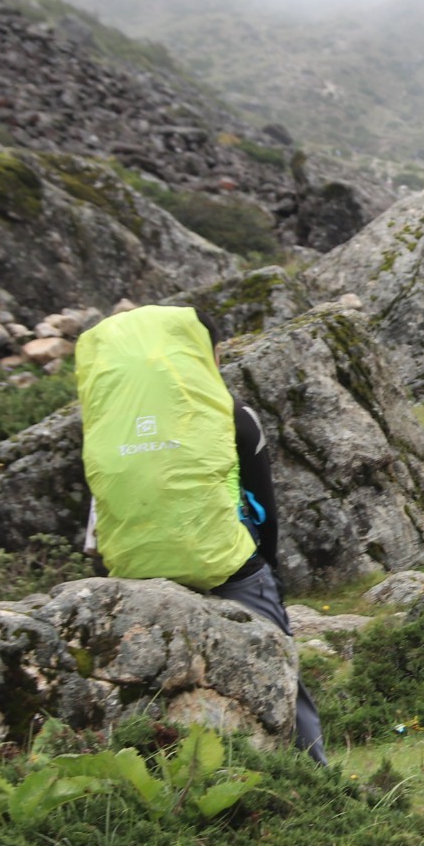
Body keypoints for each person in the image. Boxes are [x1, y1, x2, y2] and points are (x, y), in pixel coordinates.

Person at [77, 305, 325, 763]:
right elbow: (262, 505)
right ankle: (318, 779)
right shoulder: (231, 414)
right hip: (228, 566)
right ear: (202, 352)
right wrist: (266, 569)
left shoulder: (108, 423)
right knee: (283, 680)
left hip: (133, 573)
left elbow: (100, 505)